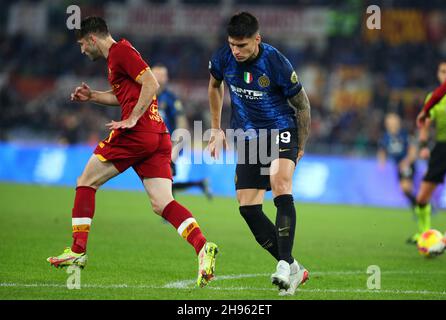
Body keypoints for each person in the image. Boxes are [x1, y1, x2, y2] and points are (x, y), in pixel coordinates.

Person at [46, 16, 218, 288]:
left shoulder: (120, 52)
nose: (81, 50)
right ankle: (202, 247)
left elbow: (151, 83)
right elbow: (124, 96)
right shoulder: (117, 58)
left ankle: (78, 250)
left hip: (138, 133)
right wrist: (93, 96)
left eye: (81, 44)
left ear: (92, 39)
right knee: (162, 203)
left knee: (85, 182)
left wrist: (133, 119)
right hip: (157, 136)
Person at [207, 12, 311, 296]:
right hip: (248, 137)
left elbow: (302, 105)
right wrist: (216, 128)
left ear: (257, 39)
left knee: (280, 184)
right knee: (248, 207)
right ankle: (292, 266)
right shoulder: (223, 58)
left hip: (281, 130)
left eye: (242, 45)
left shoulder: (275, 62)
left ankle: (282, 266)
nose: (236, 51)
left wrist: (300, 145)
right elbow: (214, 85)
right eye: (232, 44)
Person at [152, 64, 212, 199]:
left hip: (167, 146)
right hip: (150, 144)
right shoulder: (144, 96)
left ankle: (168, 210)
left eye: (163, 75)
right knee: (162, 181)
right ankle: (199, 184)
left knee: (165, 179)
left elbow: (181, 123)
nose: (161, 78)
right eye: (157, 75)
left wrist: (175, 147)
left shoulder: (171, 99)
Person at [410, 59, 446, 251]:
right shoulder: (433, 97)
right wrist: (424, 145)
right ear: (438, 73)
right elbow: (425, 123)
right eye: (443, 71)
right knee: (422, 196)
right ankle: (424, 234)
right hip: (441, 148)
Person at [377, 113, 417, 213]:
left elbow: (412, 151)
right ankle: (420, 205)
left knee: (405, 187)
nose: (391, 124)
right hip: (398, 166)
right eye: (389, 122)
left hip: (407, 164)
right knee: (404, 190)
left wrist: (406, 161)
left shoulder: (404, 134)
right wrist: (382, 161)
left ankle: (421, 206)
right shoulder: (386, 136)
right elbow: (382, 150)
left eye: (393, 121)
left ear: (398, 123)